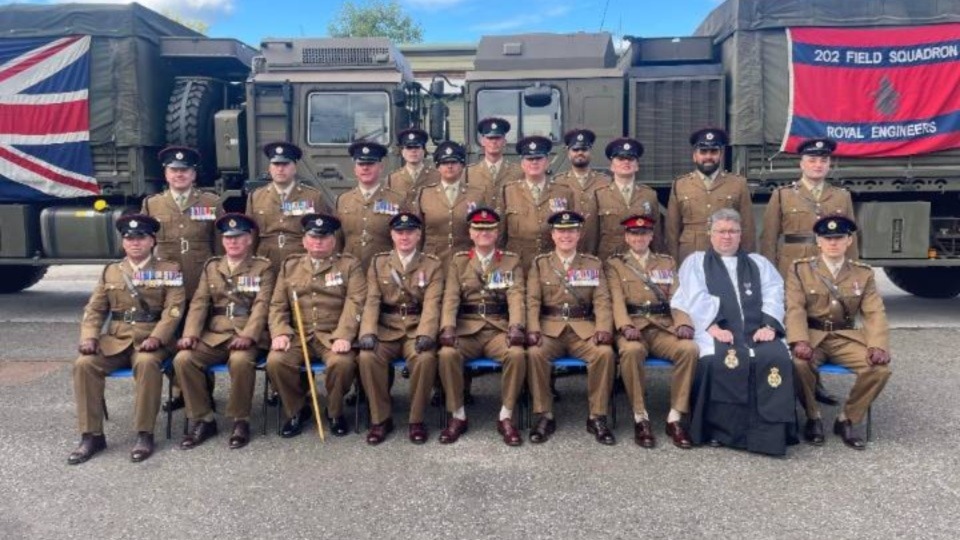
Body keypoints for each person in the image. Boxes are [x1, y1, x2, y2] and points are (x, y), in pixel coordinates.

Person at [671, 208, 797, 456]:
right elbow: (693, 297)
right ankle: (720, 431)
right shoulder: (696, 262)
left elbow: (774, 294)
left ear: (741, 235)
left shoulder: (758, 263)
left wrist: (769, 325)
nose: (726, 237)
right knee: (712, 361)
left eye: (732, 231)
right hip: (715, 330)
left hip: (757, 331)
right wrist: (713, 326)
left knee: (777, 358)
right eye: (720, 231)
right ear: (710, 234)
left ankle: (771, 433)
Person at [67, 215, 185, 465]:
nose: (135, 243)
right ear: (123, 243)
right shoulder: (111, 271)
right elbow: (95, 309)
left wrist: (157, 337)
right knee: (84, 364)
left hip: (152, 341)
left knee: (145, 363)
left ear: (152, 241)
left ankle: (144, 433)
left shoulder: (169, 270)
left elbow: (173, 310)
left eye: (141, 238)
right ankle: (92, 435)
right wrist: (89, 337)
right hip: (117, 339)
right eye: (129, 238)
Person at [786, 216, 891, 450]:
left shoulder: (863, 273)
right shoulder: (800, 269)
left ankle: (847, 419)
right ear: (818, 241)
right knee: (798, 364)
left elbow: (874, 312)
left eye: (839, 238)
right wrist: (799, 340)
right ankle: (813, 417)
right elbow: (795, 308)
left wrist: (878, 346)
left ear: (849, 240)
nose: (833, 243)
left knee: (879, 369)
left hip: (845, 337)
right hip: (813, 336)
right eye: (827, 238)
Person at [173, 214, 274, 450]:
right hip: (215, 334)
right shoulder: (212, 266)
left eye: (239, 237)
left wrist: (249, 335)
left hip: (246, 331)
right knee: (184, 359)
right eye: (228, 238)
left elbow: (262, 305)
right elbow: (199, 303)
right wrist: (190, 334)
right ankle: (203, 418)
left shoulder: (263, 267)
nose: (233, 242)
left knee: (240, 361)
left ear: (249, 239)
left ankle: (241, 420)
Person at [266, 214, 366, 438]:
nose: (318, 242)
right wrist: (280, 331)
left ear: (333, 240)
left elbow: (356, 302)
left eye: (324, 237)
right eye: (313, 237)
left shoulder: (349, 265)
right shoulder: (290, 266)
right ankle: (297, 410)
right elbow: (277, 305)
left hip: (331, 336)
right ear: (304, 241)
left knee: (342, 363)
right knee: (276, 361)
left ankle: (334, 412)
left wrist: (344, 336)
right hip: (298, 336)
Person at [605, 214, 699, 449]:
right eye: (634, 234)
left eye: (644, 233)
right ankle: (640, 417)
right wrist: (625, 326)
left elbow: (678, 298)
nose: (639, 238)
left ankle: (675, 417)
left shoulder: (666, 262)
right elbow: (615, 300)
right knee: (632, 351)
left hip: (662, 326)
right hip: (632, 327)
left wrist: (683, 323)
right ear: (627, 237)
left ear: (651, 236)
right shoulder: (615, 264)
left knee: (689, 349)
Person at [141, 146, 223, 413]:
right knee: (170, 339)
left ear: (193, 174)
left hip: (201, 284)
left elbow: (221, 246)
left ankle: (203, 393)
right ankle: (178, 389)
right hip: (166, 286)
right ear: (166, 174)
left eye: (184, 170)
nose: (179, 175)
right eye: (174, 170)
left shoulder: (210, 203)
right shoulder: (152, 204)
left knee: (198, 340)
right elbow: (145, 247)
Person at [437, 208, 527, 446]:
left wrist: (516, 326)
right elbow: (451, 298)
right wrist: (447, 327)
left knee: (516, 354)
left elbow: (516, 296)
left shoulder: (511, 260)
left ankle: (506, 415)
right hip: (467, 329)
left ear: (497, 232)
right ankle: (458, 414)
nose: (484, 233)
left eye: (489, 229)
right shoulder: (459, 261)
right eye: (478, 229)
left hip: (498, 329)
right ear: (470, 233)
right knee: (447, 354)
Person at [526, 211, 616, 445]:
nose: (566, 236)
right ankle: (544, 415)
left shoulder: (592, 263)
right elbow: (533, 300)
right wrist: (533, 328)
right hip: (550, 328)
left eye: (571, 231)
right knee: (535, 353)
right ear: (553, 235)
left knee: (604, 353)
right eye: (561, 231)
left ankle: (597, 416)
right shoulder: (540, 263)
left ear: (579, 235)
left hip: (583, 328)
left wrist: (604, 328)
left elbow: (602, 300)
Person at [357, 212, 444, 445]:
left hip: (416, 328)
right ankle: (380, 419)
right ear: (392, 235)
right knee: (367, 357)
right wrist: (367, 331)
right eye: (399, 232)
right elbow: (372, 300)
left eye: (409, 232)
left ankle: (416, 419)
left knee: (425, 359)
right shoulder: (378, 262)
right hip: (387, 327)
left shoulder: (432, 264)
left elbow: (432, 303)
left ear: (418, 235)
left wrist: (426, 333)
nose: (404, 237)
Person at [760, 137, 858, 279]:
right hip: (793, 267)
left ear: (829, 164)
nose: (818, 165)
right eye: (812, 160)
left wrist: (853, 272)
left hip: (830, 267)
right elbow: (769, 238)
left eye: (823, 161)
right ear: (802, 164)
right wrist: (769, 273)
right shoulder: (783, 195)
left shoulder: (842, 196)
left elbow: (851, 239)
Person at [666, 128, 755, 264]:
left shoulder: (738, 184)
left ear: (721, 155)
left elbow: (747, 228)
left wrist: (747, 262)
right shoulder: (680, 185)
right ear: (694, 155)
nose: (708, 156)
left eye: (714, 152)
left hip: (726, 256)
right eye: (703, 152)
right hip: (690, 256)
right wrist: (672, 264)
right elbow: (672, 231)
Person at [246, 141, 332, 272]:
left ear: (295, 167)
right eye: (276, 164)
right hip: (266, 262)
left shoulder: (313, 197)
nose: (280, 169)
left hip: (300, 261)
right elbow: (250, 236)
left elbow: (326, 233)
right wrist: (249, 266)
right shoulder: (256, 197)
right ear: (269, 168)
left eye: (285, 164)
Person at [499, 135, 576, 270]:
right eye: (529, 159)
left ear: (547, 162)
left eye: (539, 158)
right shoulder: (508, 191)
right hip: (518, 264)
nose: (534, 162)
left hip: (552, 264)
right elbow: (500, 234)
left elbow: (572, 230)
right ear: (522, 164)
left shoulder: (563, 192)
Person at [409, 141, 491, 265]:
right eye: (445, 163)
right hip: (432, 261)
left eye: (454, 162)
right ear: (437, 167)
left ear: (462, 165)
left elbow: (485, 231)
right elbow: (417, 232)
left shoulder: (477, 194)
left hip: (467, 260)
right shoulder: (425, 194)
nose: (449, 166)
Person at [336, 140, 408, 271]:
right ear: (355, 169)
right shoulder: (343, 200)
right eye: (361, 164)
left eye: (370, 163)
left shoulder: (397, 200)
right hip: (350, 270)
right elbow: (337, 240)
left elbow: (406, 238)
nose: (365, 168)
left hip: (384, 270)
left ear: (381, 167)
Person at [594, 138, 664, 260]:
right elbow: (592, 236)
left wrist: (659, 261)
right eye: (620, 159)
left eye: (631, 159)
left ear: (637, 166)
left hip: (641, 261)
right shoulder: (599, 195)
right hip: (609, 261)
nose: (626, 162)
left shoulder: (649, 195)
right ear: (611, 166)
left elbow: (656, 235)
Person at [552, 128, 609, 255]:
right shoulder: (557, 182)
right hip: (567, 249)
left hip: (597, 249)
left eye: (584, 149)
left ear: (591, 152)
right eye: (575, 150)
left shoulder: (605, 182)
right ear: (568, 153)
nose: (580, 153)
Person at [466, 117, 523, 208]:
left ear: (504, 141)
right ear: (482, 141)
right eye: (490, 138)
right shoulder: (468, 173)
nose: (494, 142)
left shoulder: (519, 172)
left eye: (498, 138)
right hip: (480, 221)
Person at [387, 128, 440, 202]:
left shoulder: (437, 177)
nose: (413, 151)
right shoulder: (392, 179)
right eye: (409, 148)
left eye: (417, 147)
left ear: (424, 151)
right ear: (402, 152)